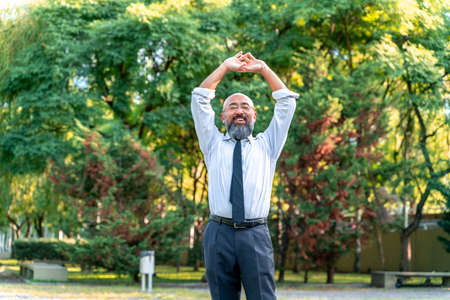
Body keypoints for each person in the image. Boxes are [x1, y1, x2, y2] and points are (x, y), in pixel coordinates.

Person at [191, 51, 298, 300]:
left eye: (245, 107)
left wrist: (263, 69)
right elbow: (199, 99)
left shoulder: (268, 145)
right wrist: (224, 67)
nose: (239, 111)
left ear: (254, 115)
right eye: (232, 107)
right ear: (223, 116)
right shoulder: (212, 144)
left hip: (255, 234)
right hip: (219, 233)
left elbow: (287, 103)